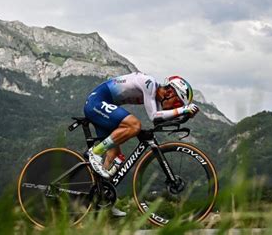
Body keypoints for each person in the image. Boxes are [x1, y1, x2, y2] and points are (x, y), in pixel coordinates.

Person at [83, 72, 199, 216]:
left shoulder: (155, 99)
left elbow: (159, 119)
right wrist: (182, 109)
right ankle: (95, 152)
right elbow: (154, 116)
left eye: (178, 105)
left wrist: (184, 115)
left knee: (114, 155)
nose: (174, 107)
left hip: (104, 106)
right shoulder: (149, 83)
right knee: (134, 125)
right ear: (169, 92)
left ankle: (102, 200)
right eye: (176, 103)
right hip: (97, 102)